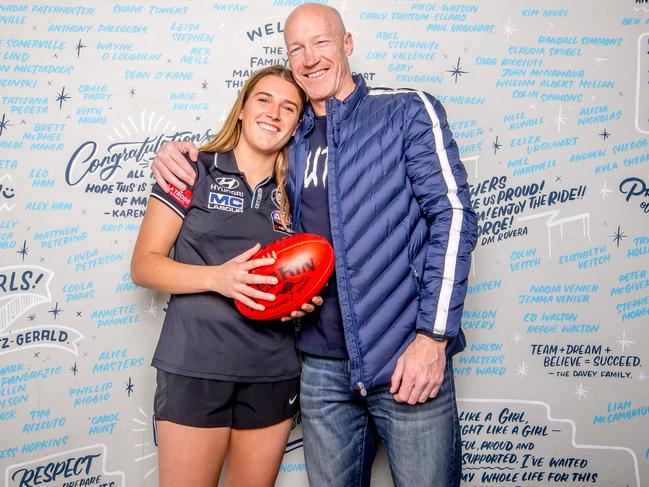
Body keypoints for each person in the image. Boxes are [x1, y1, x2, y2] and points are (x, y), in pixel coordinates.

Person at [151, 4, 478, 486]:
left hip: (404, 357)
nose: (309, 58)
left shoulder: (405, 110)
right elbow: (242, 163)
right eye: (296, 48)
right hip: (321, 371)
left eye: (321, 42)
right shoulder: (292, 138)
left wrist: (433, 338)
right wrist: (176, 151)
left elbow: (453, 217)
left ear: (347, 44)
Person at [130, 65, 311, 487]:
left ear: (297, 124)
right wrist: (219, 279)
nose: (274, 113)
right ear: (243, 108)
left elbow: (302, 276)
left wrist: (303, 301)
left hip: (273, 370)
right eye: (264, 100)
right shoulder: (193, 170)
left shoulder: (299, 195)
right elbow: (144, 265)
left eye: (289, 107)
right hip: (195, 366)